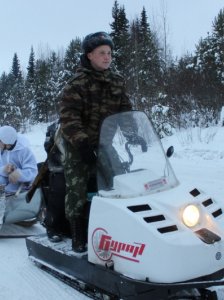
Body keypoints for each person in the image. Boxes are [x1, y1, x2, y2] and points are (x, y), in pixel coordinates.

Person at [59, 32, 134, 252]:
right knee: (77, 187)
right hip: (77, 145)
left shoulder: (116, 82)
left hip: (104, 144)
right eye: (101, 52)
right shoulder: (76, 84)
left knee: (118, 181)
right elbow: (68, 117)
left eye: (109, 53)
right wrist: (81, 144)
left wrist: (132, 133)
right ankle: (77, 235)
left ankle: (118, 227)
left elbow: (125, 110)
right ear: (89, 55)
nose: (107, 57)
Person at [43, 120, 69, 242]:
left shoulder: (89, 123)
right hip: (59, 167)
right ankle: (51, 224)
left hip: (86, 166)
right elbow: (49, 149)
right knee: (60, 188)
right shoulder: (53, 128)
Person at [0, 126, 37, 194]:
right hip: (6, 177)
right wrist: (4, 170)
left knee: (8, 190)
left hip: (22, 181)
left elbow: (32, 171)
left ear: (6, 141)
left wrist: (17, 174)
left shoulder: (24, 151)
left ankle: (8, 202)